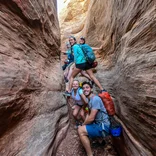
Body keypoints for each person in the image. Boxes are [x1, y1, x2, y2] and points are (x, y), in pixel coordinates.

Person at [78, 81, 110, 156]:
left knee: (80, 130)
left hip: (103, 127)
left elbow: (91, 118)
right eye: (83, 88)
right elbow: (88, 114)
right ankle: (100, 141)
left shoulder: (95, 99)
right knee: (86, 119)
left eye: (87, 87)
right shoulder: (90, 100)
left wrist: (82, 125)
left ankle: (90, 154)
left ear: (91, 89)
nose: (85, 89)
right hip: (100, 124)